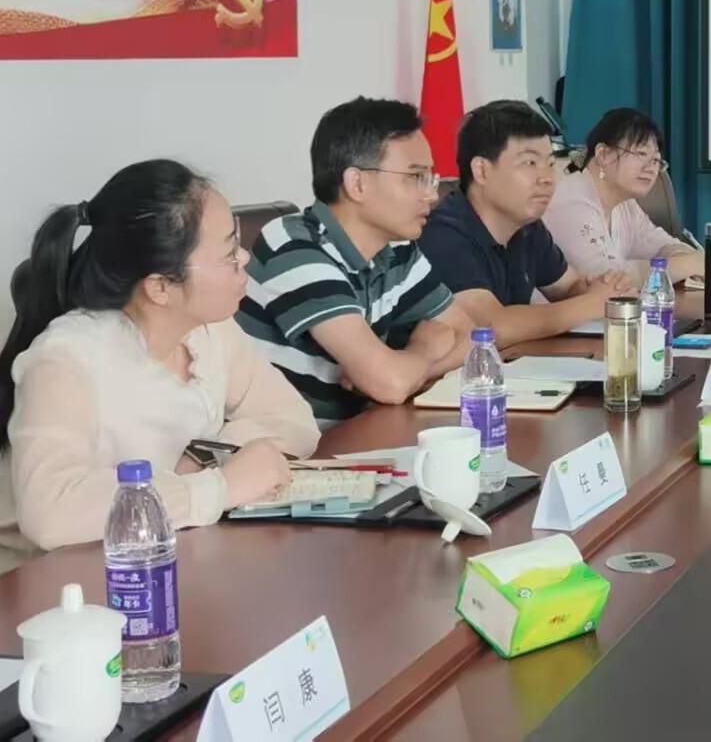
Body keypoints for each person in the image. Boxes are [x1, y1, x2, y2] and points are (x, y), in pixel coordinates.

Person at [0, 161, 319, 572]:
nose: (244, 258)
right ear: (160, 286)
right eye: (228, 253)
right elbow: (52, 514)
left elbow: (294, 420)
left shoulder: (208, 331)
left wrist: (201, 458)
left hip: (157, 558)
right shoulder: (64, 360)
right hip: (47, 585)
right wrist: (219, 487)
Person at [237, 97, 475, 424]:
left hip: (360, 433)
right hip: (286, 445)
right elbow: (390, 385)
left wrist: (406, 368)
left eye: (430, 178)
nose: (432, 195)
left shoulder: (398, 248)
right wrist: (424, 349)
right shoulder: (293, 248)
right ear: (357, 183)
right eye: (415, 177)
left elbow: (471, 336)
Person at [418, 101, 635, 345]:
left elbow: (568, 287)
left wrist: (606, 289)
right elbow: (490, 326)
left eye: (550, 164)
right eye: (530, 163)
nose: (547, 178)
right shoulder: (443, 234)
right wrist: (593, 303)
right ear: (481, 171)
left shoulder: (527, 227)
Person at [544, 107, 702, 285]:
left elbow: (662, 245)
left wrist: (686, 257)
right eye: (641, 154)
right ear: (603, 154)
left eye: (656, 160)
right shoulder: (570, 201)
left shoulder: (626, 205)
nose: (651, 168)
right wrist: (690, 264)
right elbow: (605, 279)